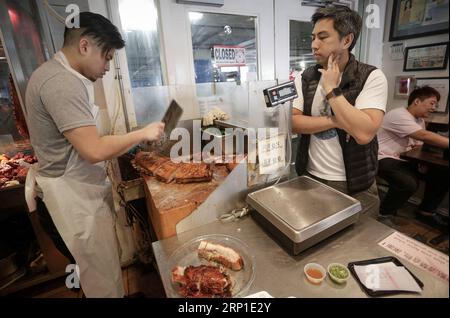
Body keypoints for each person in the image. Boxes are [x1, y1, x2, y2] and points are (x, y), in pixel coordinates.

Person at [25, 12, 164, 298]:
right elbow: (94, 150)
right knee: (98, 284)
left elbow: (93, 139)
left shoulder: (58, 76)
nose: (107, 67)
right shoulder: (61, 83)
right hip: (71, 203)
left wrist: (136, 138)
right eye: (107, 57)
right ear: (85, 45)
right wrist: (141, 134)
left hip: (74, 195)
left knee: (95, 278)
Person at [292, 6, 388, 216]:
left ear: (346, 41)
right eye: (313, 37)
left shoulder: (370, 76)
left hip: (355, 184)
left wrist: (331, 89)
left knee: (358, 245)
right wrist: (336, 121)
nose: (314, 45)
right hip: (310, 177)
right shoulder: (306, 76)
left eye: (323, 37)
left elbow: (363, 133)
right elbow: (295, 122)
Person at [377, 86, 449, 227]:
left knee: (443, 174)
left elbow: (418, 144)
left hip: (403, 159)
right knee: (408, 183)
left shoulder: (419, 120)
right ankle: (384, 213)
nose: (434, 107)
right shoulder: (398, 114)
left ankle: (426, 212)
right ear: (416, 101)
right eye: (432, 103)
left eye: (436, 104)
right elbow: (424, 136)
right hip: (383, 157)